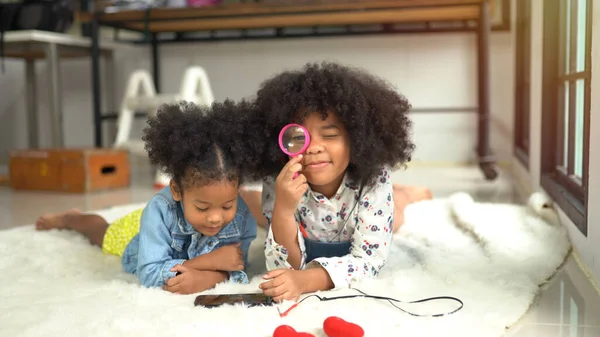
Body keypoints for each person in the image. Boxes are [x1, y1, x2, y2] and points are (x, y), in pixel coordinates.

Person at [36, 100, 264, 295]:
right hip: (146, 230)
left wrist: (212, 278)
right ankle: (71, 218)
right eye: (203, 208)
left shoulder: (242, 215)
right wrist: (206, 265)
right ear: (176, 190)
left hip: (158, 228)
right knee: (100, 231)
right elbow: (149, 272)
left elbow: (236, 265)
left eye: (227, 205)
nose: (216, 218)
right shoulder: (160, 209)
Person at [252, 62, 432, 302]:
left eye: (329, 135)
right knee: (255, 207)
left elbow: (367, 262)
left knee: (396, 216)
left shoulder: (373, 179)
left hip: (360, 205)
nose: (314, 148)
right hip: (299, 218)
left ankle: (405, 195)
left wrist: (306, 281)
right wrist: (283, 211)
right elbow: (284, 264)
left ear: (357, 139)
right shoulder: (279, 179)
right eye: (298, 137)